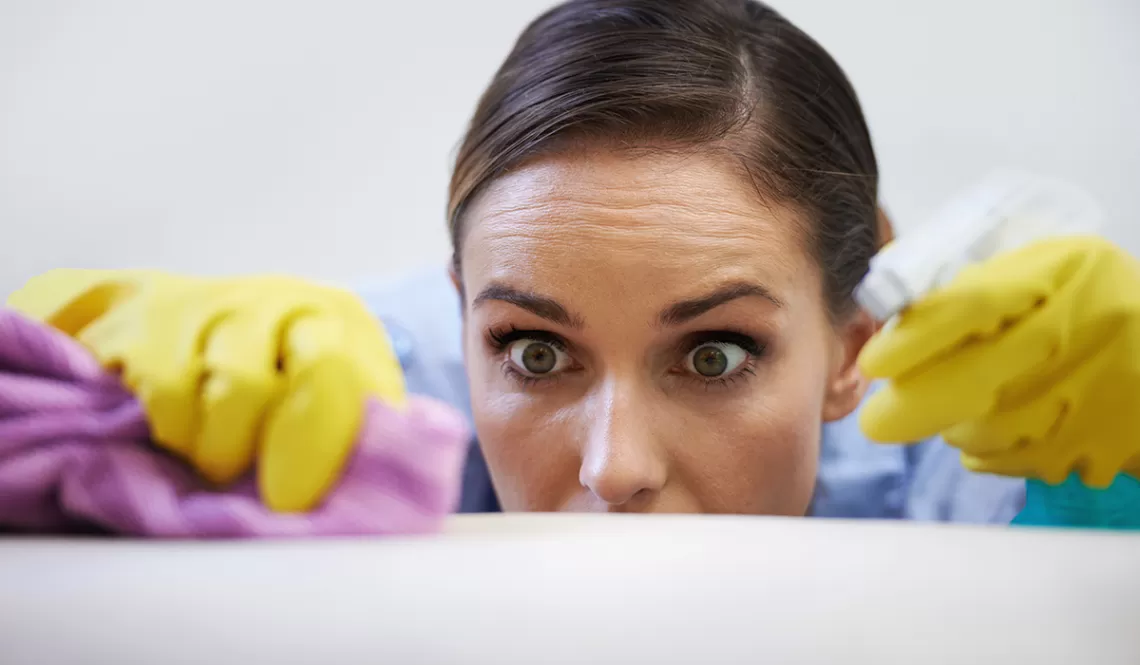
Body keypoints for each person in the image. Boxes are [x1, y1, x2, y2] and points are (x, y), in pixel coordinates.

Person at [9, 0, 1140, 520]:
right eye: (535, 348)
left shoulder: (970, 424)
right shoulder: (355, 391)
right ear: (464, 323)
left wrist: (1116, 490)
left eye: (714, 355)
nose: (612, 471)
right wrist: (70, 385)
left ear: (856, 350)